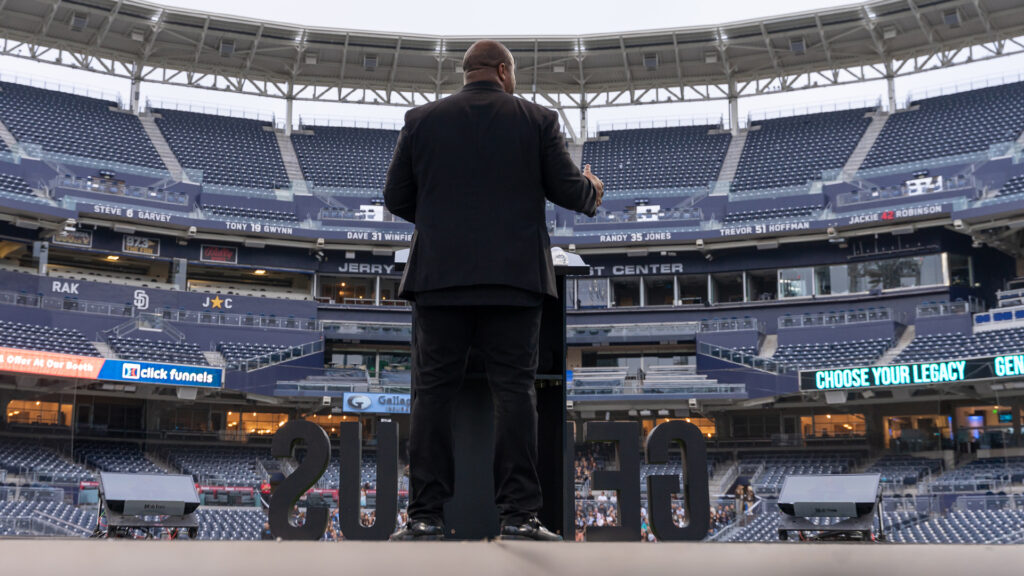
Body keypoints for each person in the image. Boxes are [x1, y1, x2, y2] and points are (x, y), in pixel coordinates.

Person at [385, 39, 603, 541]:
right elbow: (570, 192)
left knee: (433, 397)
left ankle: (424, 517)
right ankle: (519, 518)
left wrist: (445, 224)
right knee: (514, 396)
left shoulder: (421, 120)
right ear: (504, 71)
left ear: (467, 73)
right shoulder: (537, 119)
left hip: (439, 280)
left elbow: (395, 196)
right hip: (514, 281)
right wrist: (593, 189)